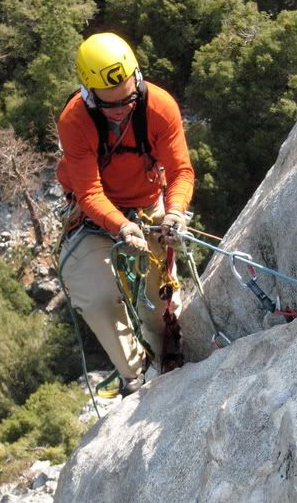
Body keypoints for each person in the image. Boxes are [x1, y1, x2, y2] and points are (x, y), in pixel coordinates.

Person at [57, 32, 195, 395]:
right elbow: (89, 192)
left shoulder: (158, 106)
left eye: (128, 99)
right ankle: (134, 376)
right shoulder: (75, 121)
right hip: (94, 217)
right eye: (110, 105)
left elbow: (180, 171)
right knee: (97, 297)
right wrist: (121, 226)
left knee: (161, 306)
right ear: (89, 93)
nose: (121, 110)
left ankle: (169, 353)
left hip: (148, 207)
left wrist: (174, 212)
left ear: (136, 78)